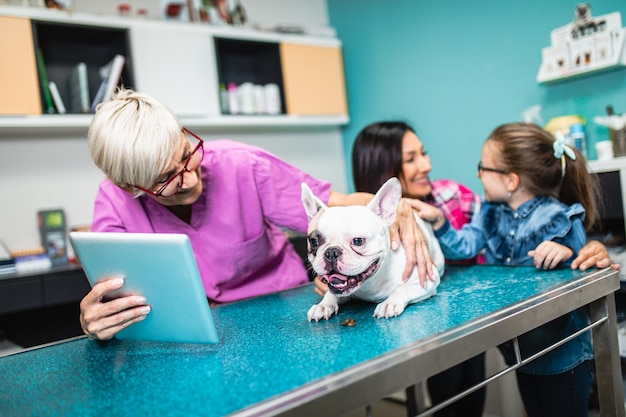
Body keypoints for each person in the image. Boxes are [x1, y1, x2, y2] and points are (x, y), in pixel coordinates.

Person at [78, 89, 434, 342]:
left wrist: (394, 206)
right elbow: (112, 299)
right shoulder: (114, 205)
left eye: (187, 155)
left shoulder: (243, 165)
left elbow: (336, 202)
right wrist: (95, 319)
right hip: (193, 337)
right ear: (130, 186)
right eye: (167, 179)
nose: (189, 178)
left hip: (286, 313)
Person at [314, 121, 617, 417]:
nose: (427, 165)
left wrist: (581, 249)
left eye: (424, 152)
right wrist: (341, 283)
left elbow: (568, 235)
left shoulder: (454, 197)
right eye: (411, 158)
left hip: (539, 334)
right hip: (515, 342)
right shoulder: (357, 219)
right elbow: (469, 239)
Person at [416, 122, 600, 417]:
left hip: (563, 357)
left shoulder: (561, 218)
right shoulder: (489, 214)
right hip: (522, 354)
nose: (477, 174)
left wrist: (565, 252)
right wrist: (439, 222)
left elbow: (582, 264)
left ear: (511, 181)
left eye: (482, 167)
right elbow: (465, 246)